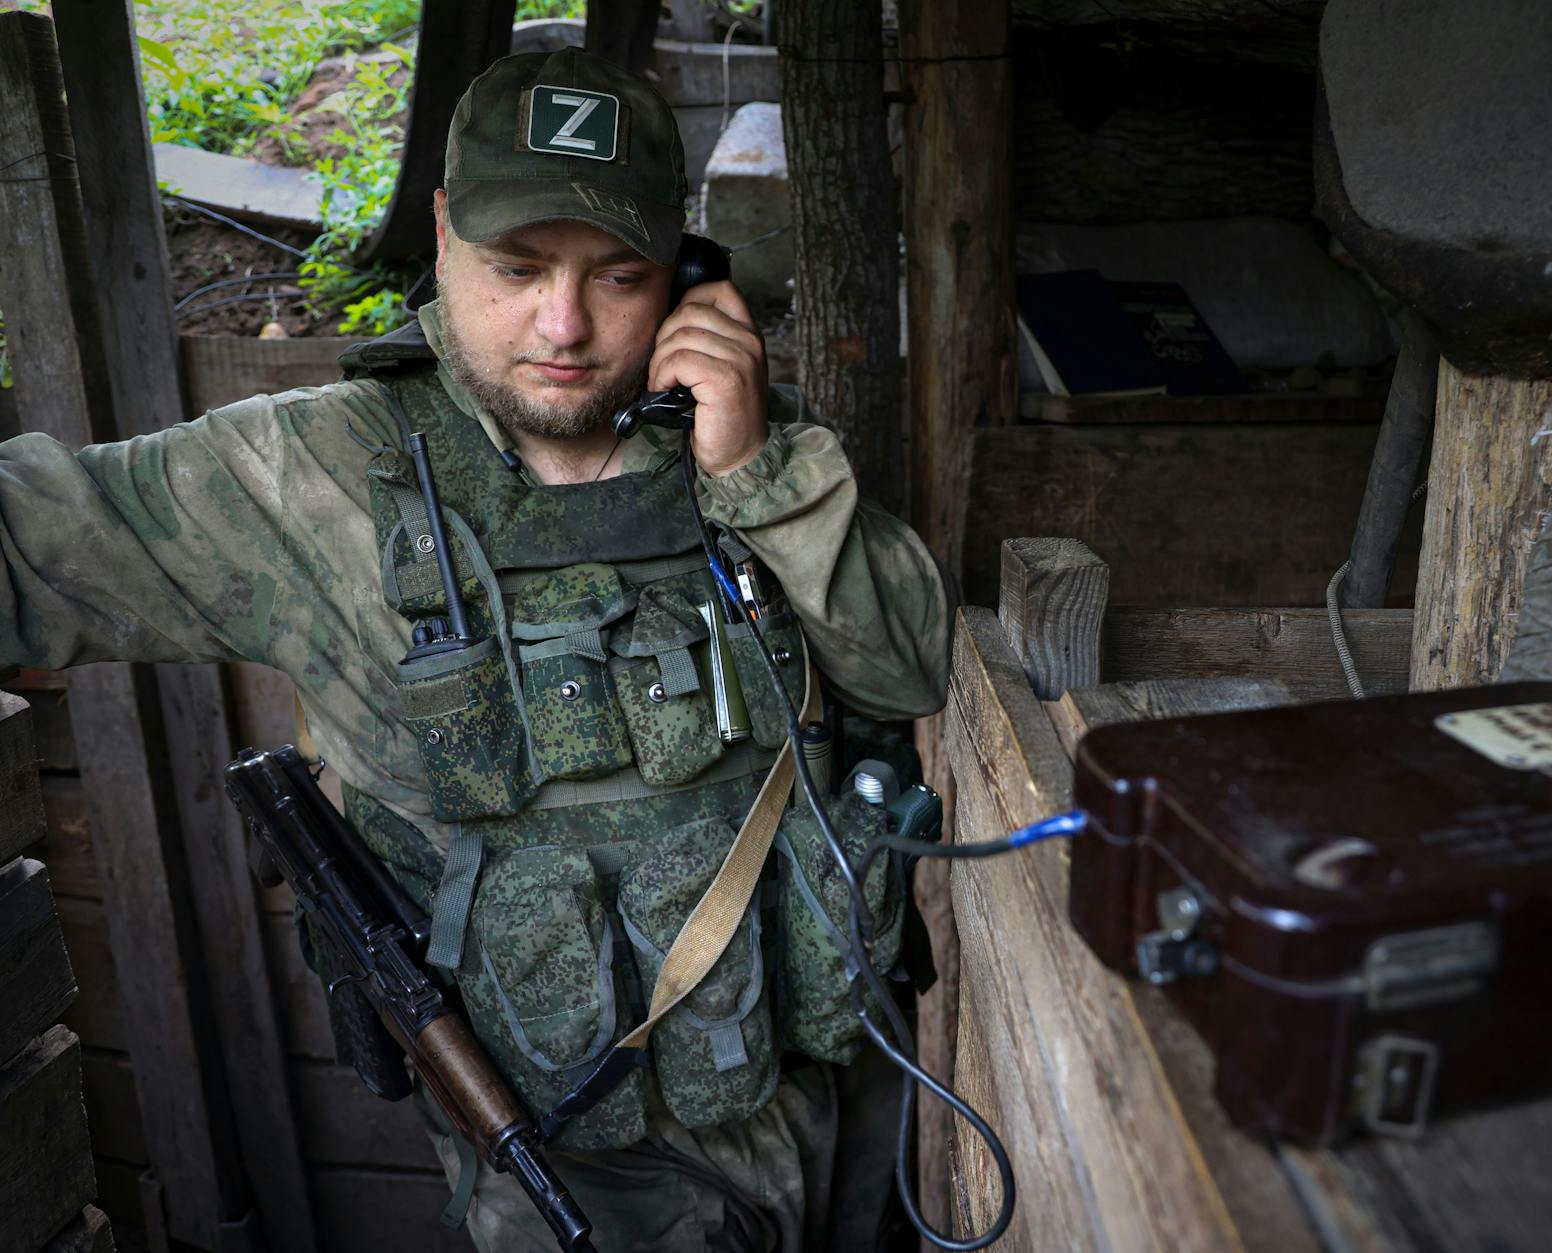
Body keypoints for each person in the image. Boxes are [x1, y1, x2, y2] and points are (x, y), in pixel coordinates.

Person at [0, 47, 951, 1253]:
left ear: (685, 267)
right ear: (441, 230)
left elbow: (913, 669)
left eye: (619, 275)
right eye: (516, 269)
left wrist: (757, 476)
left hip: (834, 1091)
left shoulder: (740, 428)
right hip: (572, 1166)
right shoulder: (306, 475)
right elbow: (28, 547)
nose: (564, 324)